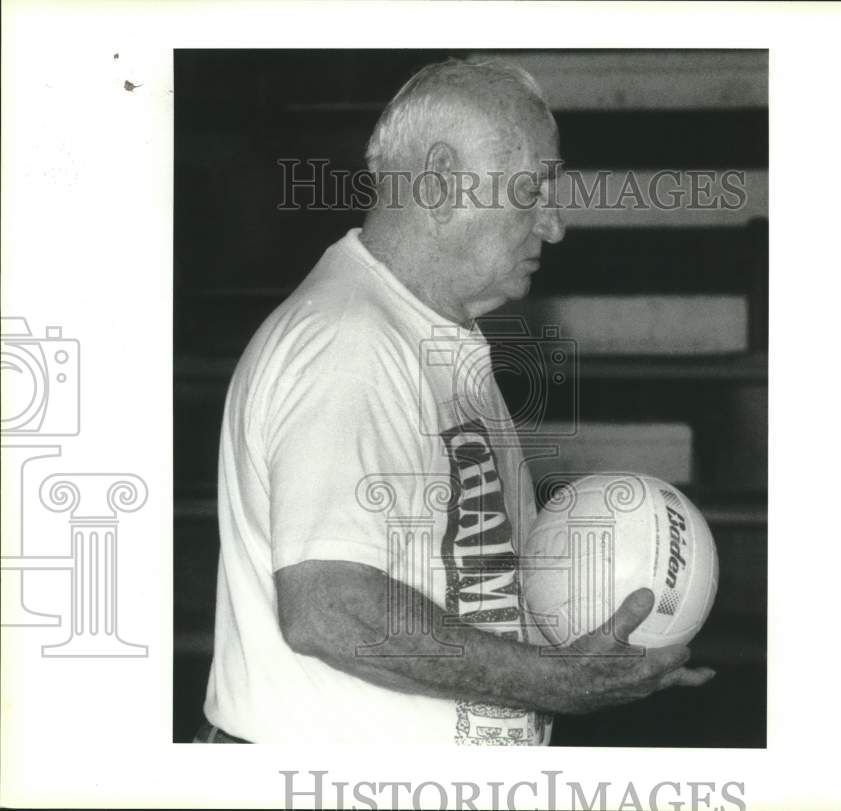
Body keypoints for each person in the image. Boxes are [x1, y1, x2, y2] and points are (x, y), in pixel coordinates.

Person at [197, 58, 714, 746]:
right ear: (440, 184)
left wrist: (587, 637)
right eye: (532, 191)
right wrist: (556, 680)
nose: (554, 225)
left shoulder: (431, 336)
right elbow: (328, 606)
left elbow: (457, 587)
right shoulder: (350, 342)